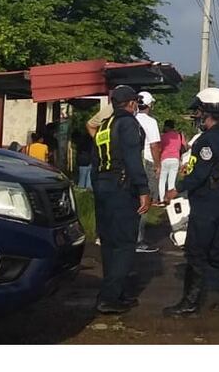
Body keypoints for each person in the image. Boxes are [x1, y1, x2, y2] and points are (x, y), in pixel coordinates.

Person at [163, 87, 219, 317]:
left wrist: (176, 189)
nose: (197, 116)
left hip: (208, 201)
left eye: (199, 111)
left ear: (208, 111)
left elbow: (199, 174)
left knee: (195, 251)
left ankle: (190, 304)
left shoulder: (207, 141)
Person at [92, 86, 152, 314]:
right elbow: (132, 159)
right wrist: (143, 189)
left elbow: (96, 160)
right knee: (125, 244)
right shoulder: (128, 124)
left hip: (103, 187)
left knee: (109, 243)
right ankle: (109, 297)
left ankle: (114, 292)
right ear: (132, 103)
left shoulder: (104, 125)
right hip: (122, 188)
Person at [133, 91, 163, 253]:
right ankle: (138, 241)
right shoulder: (151, 122)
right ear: (150, 105)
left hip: (131, 163)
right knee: (145, 201)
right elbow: (154, 146)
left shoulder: (130, 119)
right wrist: (158, 165)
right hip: (146, 163)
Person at [158, 119, 184, 202]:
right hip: (175, 159)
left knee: (162, 180)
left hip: (165, 159)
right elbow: (184, 147)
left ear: (166, 127)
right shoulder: (179, 136)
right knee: (172, 181)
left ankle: (162, 199)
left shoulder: (163, 137)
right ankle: (170, 199)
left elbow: (159, 149)